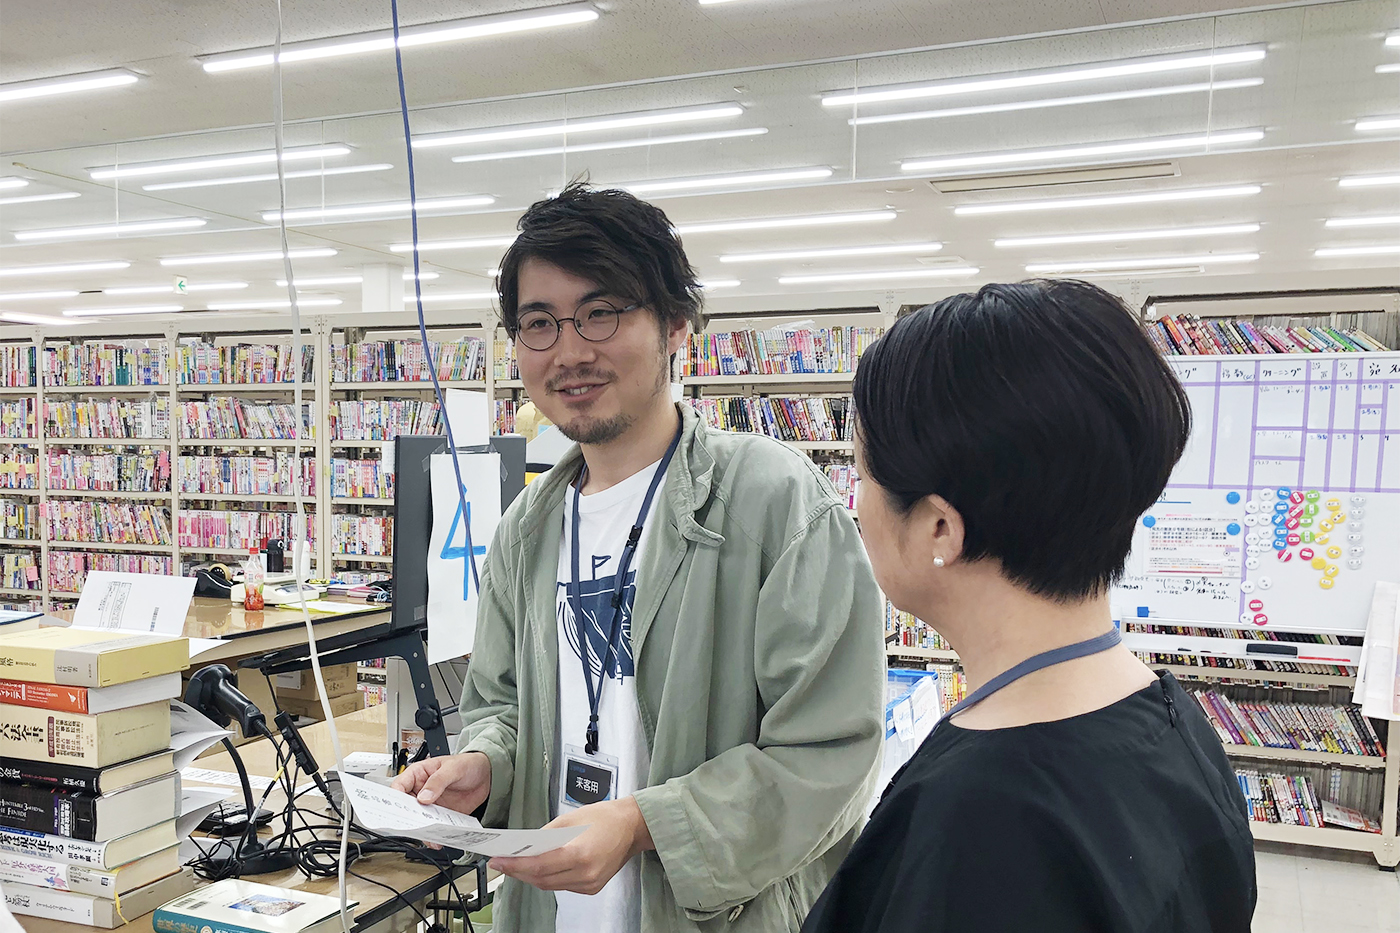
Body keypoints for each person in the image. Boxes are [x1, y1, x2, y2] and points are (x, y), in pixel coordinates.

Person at [392, 183, 885, 933]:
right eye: (539, 323)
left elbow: (831, 753)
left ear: (676, 324)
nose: (570, 352)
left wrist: (642, 823)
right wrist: (484, 765)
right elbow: (500, 706)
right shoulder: (527, 529)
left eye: (601, 312)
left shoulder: (775, 503)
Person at [802, 280, 1257, 933]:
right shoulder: (1176, 722)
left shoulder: (978, 828)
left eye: (862, 474)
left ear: (939, 528)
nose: (857, 504)